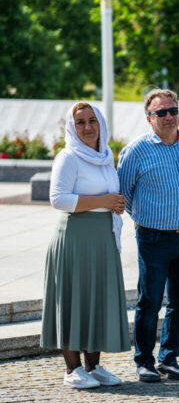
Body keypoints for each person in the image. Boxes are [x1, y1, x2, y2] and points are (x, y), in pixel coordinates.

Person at [42, 102, 131, 388]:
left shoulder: (105, 156)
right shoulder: (68, 157)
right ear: (72, 127)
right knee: (73, 298)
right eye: (80, 122)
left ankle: (93, 367)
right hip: (75, 237)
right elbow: (59, 199)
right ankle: (72, 369)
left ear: (101, 123)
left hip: (101, 237)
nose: (88, 127)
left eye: (92, 120)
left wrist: (115, 203)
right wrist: (105, 201)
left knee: (96, 299)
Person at [118, 89, 179, 383]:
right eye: (161, 112)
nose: (169, 117)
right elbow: (123, 194)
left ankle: (169, 358)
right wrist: (147, 220)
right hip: (154, 238)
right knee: (150, 300)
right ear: (148, 118)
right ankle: (144, 361)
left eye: (173, 110)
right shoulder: (136, 150)